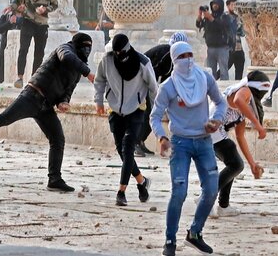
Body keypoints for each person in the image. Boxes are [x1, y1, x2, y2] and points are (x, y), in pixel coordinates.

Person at [0, 33, 95, 192]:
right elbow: (66, 57)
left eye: (89, 47)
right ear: (77, 44)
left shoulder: (78, 67)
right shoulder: (65, 49)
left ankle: (54, 179)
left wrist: (64, 102)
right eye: (84, 46)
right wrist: (88, 72)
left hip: (46, 106)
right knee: (4, 119)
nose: (87, 50)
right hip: (32, 96)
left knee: (57, 138)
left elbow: (69, 90)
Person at [150, 42, 227, 256]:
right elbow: (155, 116)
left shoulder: (204, 78)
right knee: (179, 193)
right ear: (175, 60)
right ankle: (170, 240)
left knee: (211, 189)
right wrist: (162, 137)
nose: (188, 59)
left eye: (190, 54)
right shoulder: (168, 87)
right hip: (180, 144)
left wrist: (217, 120)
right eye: (182, 56)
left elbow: (221, 102)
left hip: (204, 142)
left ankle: (195, 233)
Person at [94, 34, 158, 206]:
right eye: (116, 52)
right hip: (115, 110)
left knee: (128, 148)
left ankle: (121, 192)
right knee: (121, 150)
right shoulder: (107, 61)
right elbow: (99, 81)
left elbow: (153, 88)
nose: (118, 55)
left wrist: (156, 112)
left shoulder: (143, 62)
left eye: (121, 51)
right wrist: (99, 101)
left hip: (136, 110)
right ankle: (141, 182)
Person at [209, 71, 269, 217]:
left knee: (233, 165)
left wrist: (252, 164)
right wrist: (258, 126)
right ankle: (207, 197)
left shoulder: (242, 112)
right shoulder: (243, 90)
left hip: (216, 133)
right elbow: (238, 100)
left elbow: (240, 137)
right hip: (211, 128)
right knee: (235, 164)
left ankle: (223, 205)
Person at [135, 32, 189, 157]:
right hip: (140, 81)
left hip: (149, 83)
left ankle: (140, 141)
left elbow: (167, 78)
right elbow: (151, 71)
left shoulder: (174, 59)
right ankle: (135, 143)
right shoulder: (167, 52)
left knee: (154, 113)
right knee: (149, 112)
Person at [11, 0, 58, 89]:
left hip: (42, 24)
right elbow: (16, 2)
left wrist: (45, 9)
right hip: (28, 22)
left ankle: (34, 79)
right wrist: (17, 10)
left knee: (39, 53)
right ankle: (20, 77)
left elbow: (54, 5)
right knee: (23, 50)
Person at [196, 0, 232, 80]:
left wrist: (210, 17)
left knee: (223, 71)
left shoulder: (225, 17)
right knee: (211, 73)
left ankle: (224, 89)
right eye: (213, 4)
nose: (214, 6)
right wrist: (199, 15)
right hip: (211, 48)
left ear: (221, 5)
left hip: (222, 48)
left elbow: (220, 26)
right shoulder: (208, 17)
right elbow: (199, 25)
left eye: (217, 4)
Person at [0, 3, 24, 83]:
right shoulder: (7, 16)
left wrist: (18, 21)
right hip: (6, 49)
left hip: (21, 51)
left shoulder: (27, 17)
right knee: (1, 75)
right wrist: (9, 22)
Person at [224, 0, 246, 80]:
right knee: (223, 70)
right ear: (228, 6)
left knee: (239, 74)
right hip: (229, 50)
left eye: (235, 5)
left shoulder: (237, 17)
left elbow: (243, 33)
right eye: (232, 5)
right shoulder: (224, 17)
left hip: (239, 49)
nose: (234, 7)